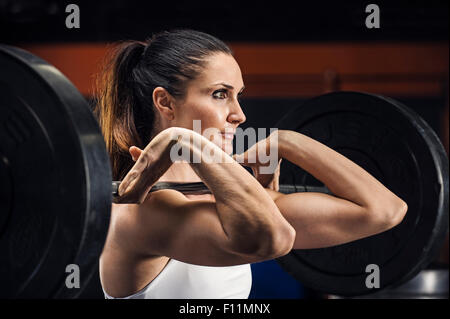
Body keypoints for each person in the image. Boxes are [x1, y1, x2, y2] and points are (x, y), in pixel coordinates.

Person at [95, 29, 407, 299]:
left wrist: (288, 141)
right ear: (165, 102)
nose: (239, 115)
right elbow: (274, 239)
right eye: (220, 94)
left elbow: (383, 211)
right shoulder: (140, 212)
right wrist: (185, 142)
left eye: (238, 96)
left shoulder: (228, 202)